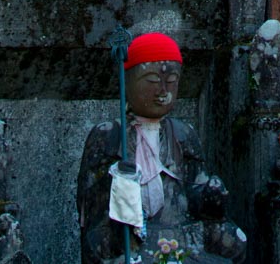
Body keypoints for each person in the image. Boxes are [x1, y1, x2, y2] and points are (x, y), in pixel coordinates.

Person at [78, 32, 246, 264]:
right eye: (153, 81)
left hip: (181, 232)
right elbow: (92, 211)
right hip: (131, 234)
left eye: (172, 81)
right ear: (127, 82)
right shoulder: (109, 135)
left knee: (234, 240)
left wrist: (210, 197)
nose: (163, 91)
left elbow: (194, 190)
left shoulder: (183, 133)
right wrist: (118, 187)